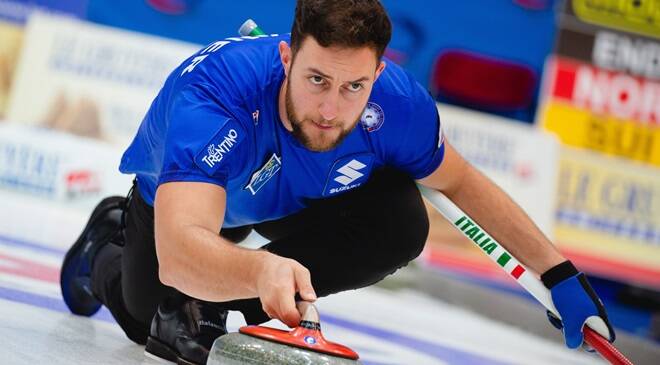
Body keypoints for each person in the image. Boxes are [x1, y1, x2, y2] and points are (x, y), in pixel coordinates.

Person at [59, 0, 615, 364]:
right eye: (317, 79)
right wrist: (258, 267)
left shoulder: (396, 105)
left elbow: (463, 183)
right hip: (188, 209)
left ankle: (226, 304)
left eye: (353, 86)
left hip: (295, 196)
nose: (330, 108)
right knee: (154, 321)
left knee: (398, 218)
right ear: (286, 57)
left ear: (378, 74)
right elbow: (181, 252)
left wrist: (558, 272)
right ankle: (105, 245)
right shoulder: (218, 96)